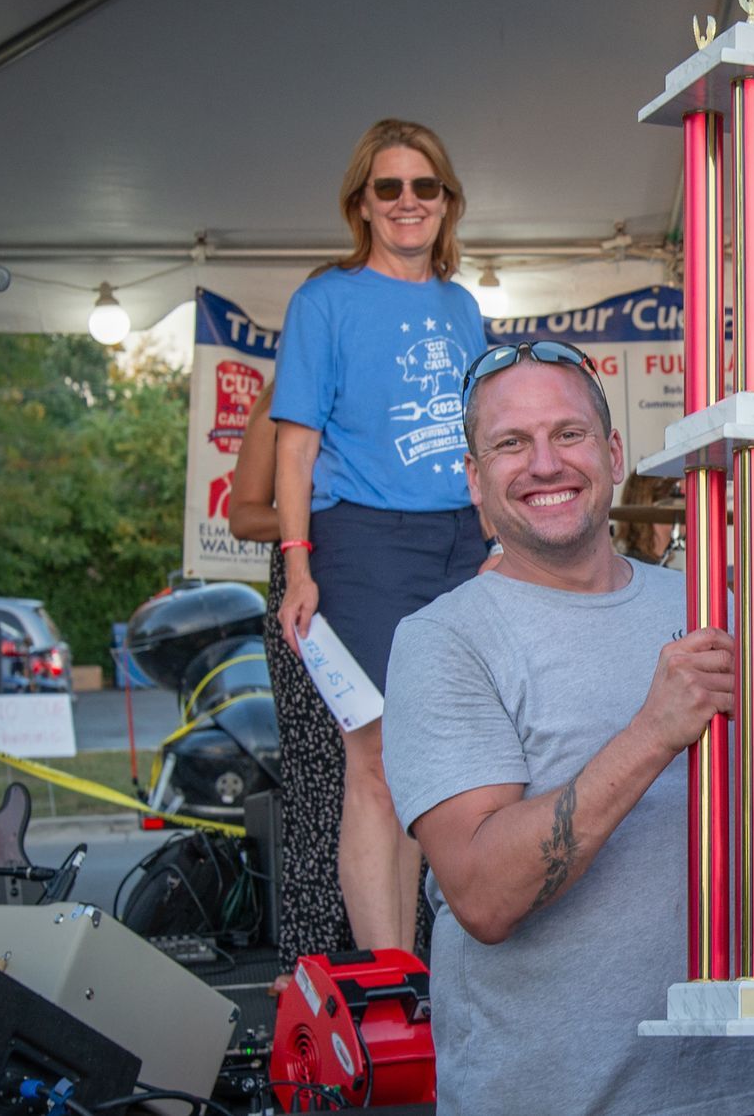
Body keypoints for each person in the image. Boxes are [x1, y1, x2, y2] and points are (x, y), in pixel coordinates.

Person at [382, 342, 754, 1116]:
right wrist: (653, 733)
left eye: (569, 434)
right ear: (475, 480)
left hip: (732, 1096)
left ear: (614, 453)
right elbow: (482, 896)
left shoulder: (711, 607)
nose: (545, 463)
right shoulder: (444, 641)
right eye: (512, 443)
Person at [271, 118, 490, 953]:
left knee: (431, 761)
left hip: (460, 541)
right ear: (361, 203)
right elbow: (296, 447)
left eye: (423, 186)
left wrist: (495, 541)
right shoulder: (325, 300)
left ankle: (414, 969)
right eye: (388, 187)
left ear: (446, 201)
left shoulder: (462, 306)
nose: (407, 201)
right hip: (362, 541)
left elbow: (479, 441)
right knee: (375, 759)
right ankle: (388, 978)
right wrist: (298, 566)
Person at [228, 381, 356, 967]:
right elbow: (243, 516)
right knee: (320, 786)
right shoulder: (280, 402)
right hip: (310, 600)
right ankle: (315, 965)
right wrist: (315, 521)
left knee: (405, 778)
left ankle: (412, 962)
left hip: (389, 581)